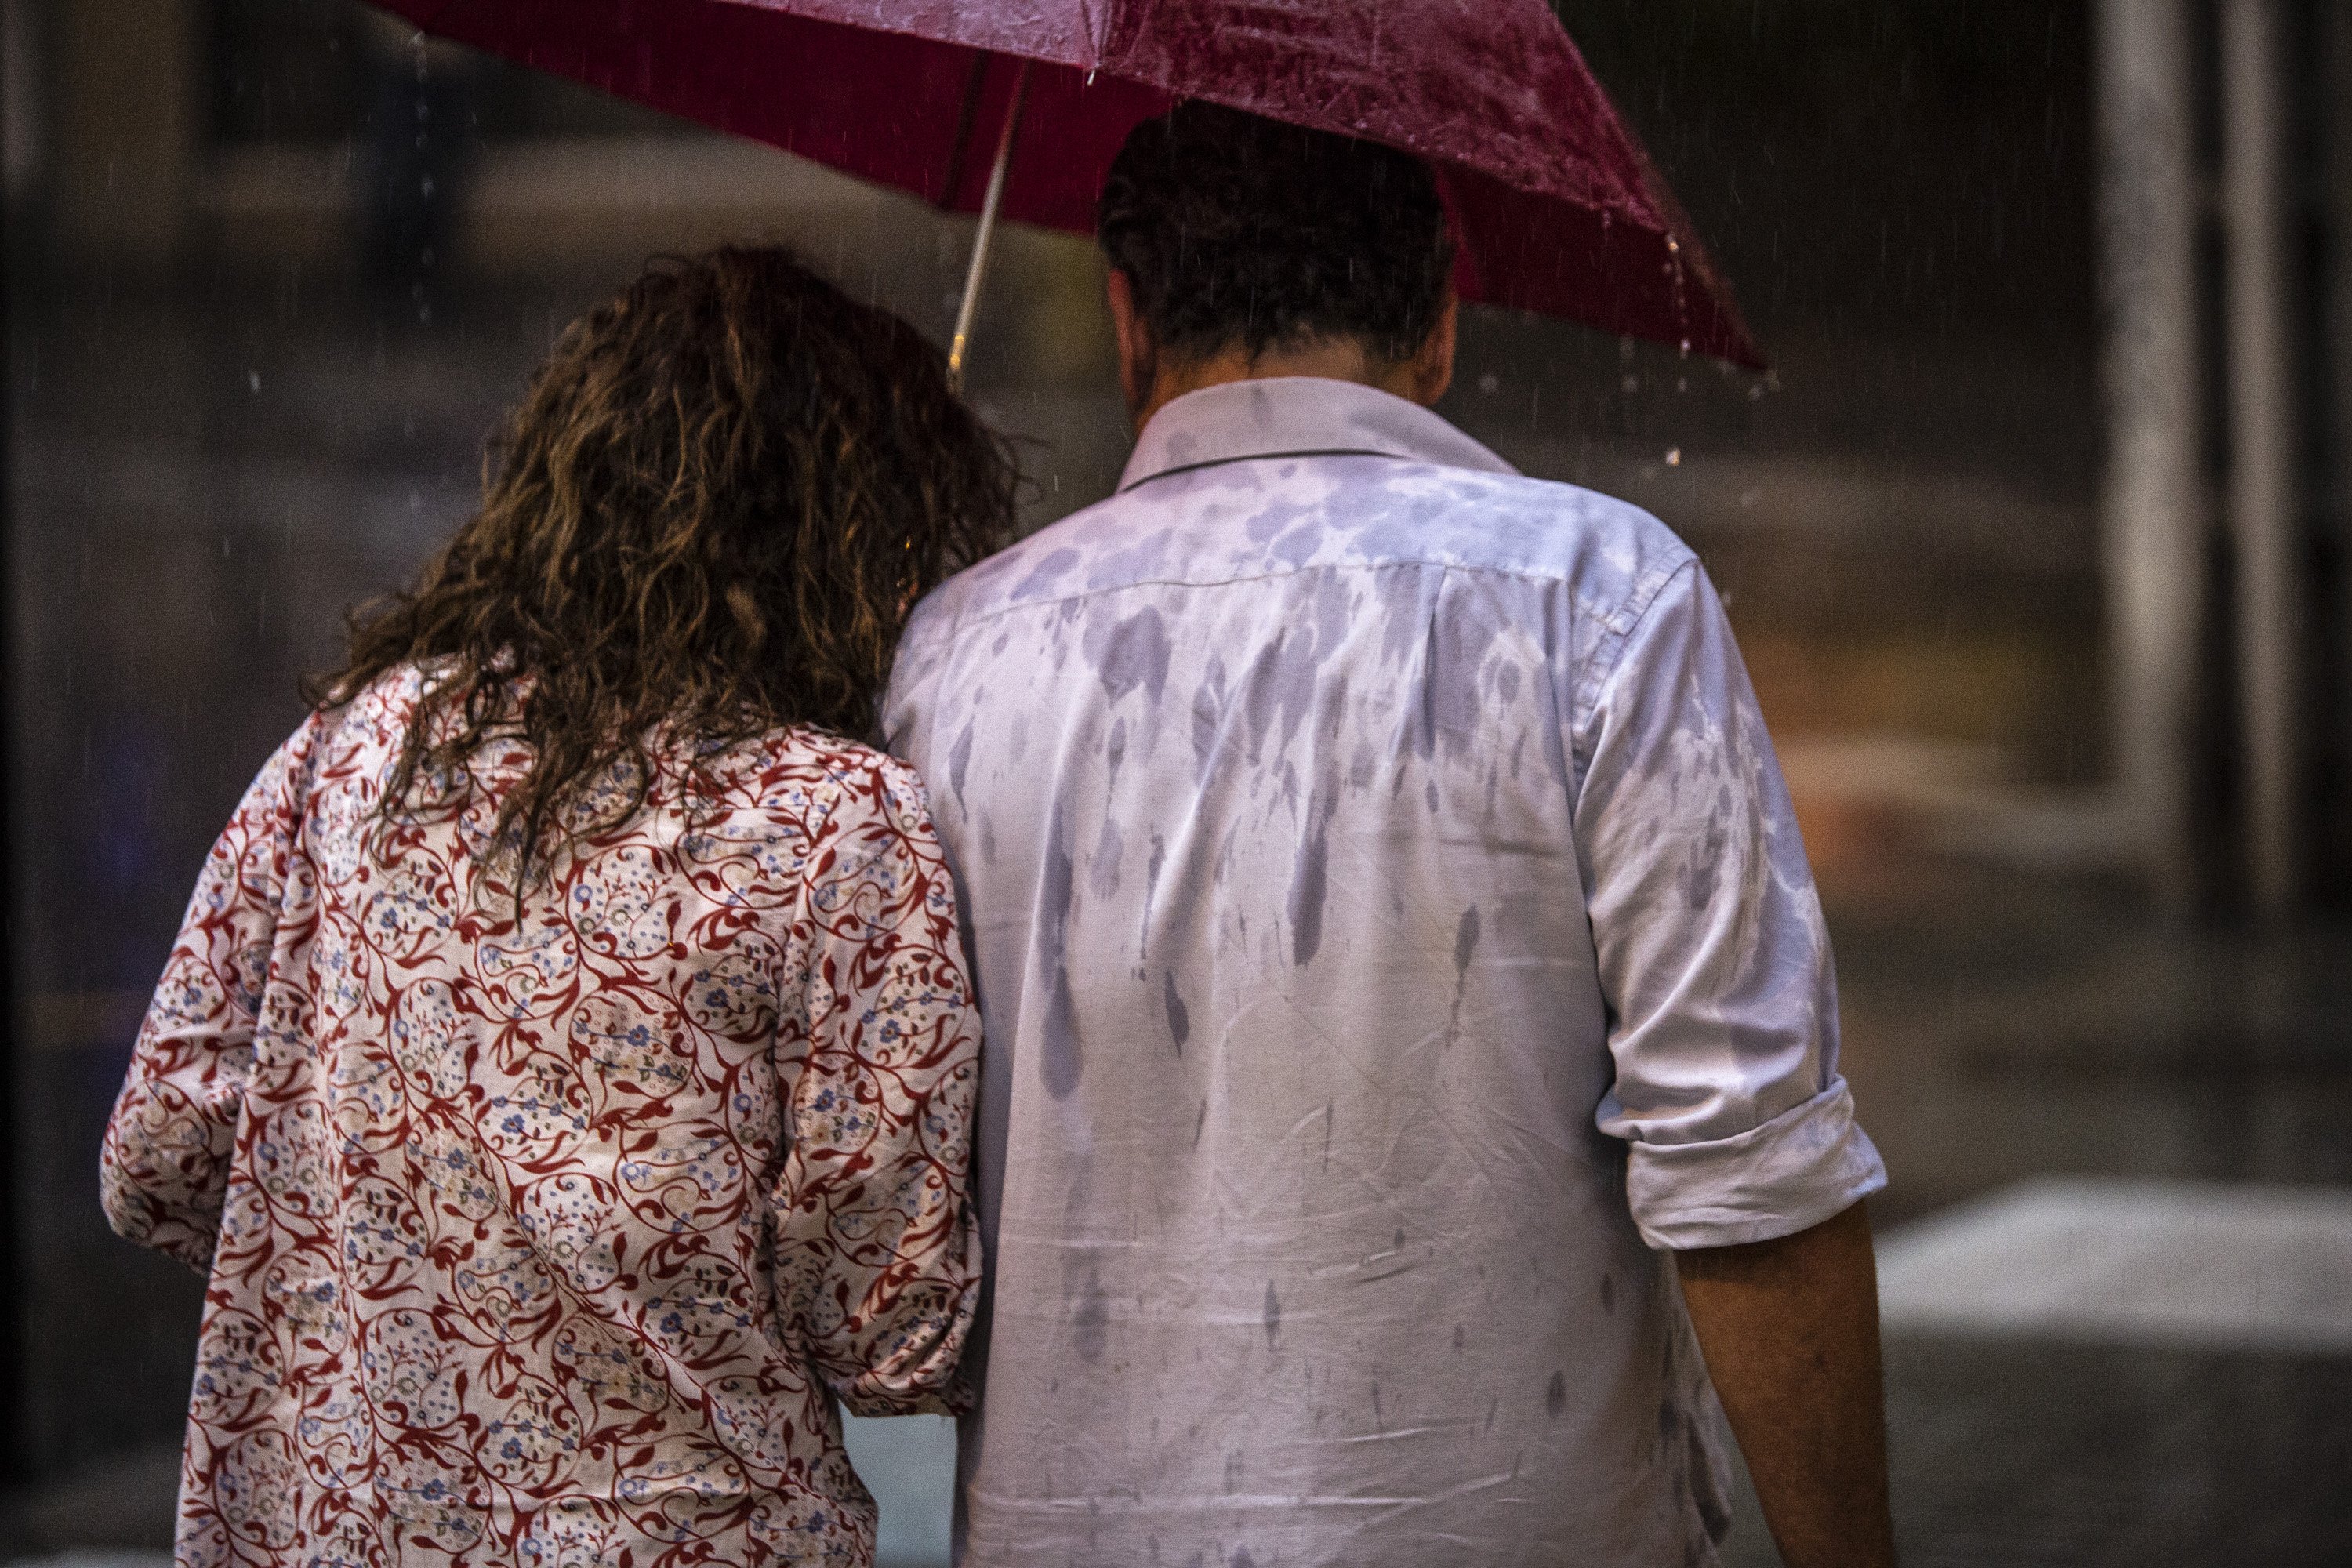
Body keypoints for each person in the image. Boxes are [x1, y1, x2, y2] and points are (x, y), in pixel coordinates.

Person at [883, 105, 1896, 1567]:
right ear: (1439, 323)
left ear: (1125, 319)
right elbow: (1753, 1180)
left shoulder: (951, 660)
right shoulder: (1601, 603)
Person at [100, 248, 1013, 1568]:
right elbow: (891, 1331)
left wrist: (402, 1241)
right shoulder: (834, 821)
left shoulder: (348, 751)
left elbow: (158, 1163)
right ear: (847, 528)